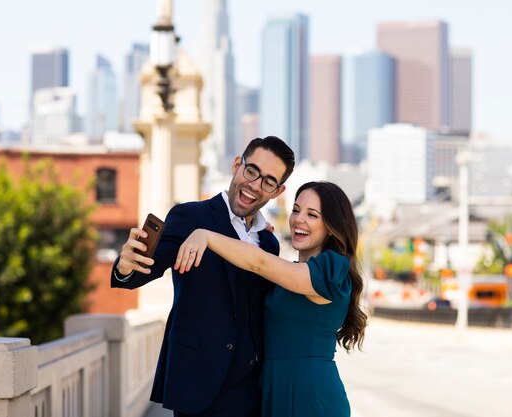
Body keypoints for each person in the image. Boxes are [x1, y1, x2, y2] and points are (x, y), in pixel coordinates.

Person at [111, 136, 295, 417]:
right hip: (197, 382)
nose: (255, 185)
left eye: (268, 182)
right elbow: (148, 266)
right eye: (252, 171)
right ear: (237, 165)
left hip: (250, 390)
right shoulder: (190, 217)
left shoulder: (269, 243)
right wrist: (125, 267)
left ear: (277, 191)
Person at [175, 181, 368, 417]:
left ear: (331, 226)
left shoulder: (331, 270)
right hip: (273, 389)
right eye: (296, 210)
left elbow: (259, 263)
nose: (299, 219)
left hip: (310, 393)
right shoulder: (292, 274)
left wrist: (205, 236)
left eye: (312, 215)